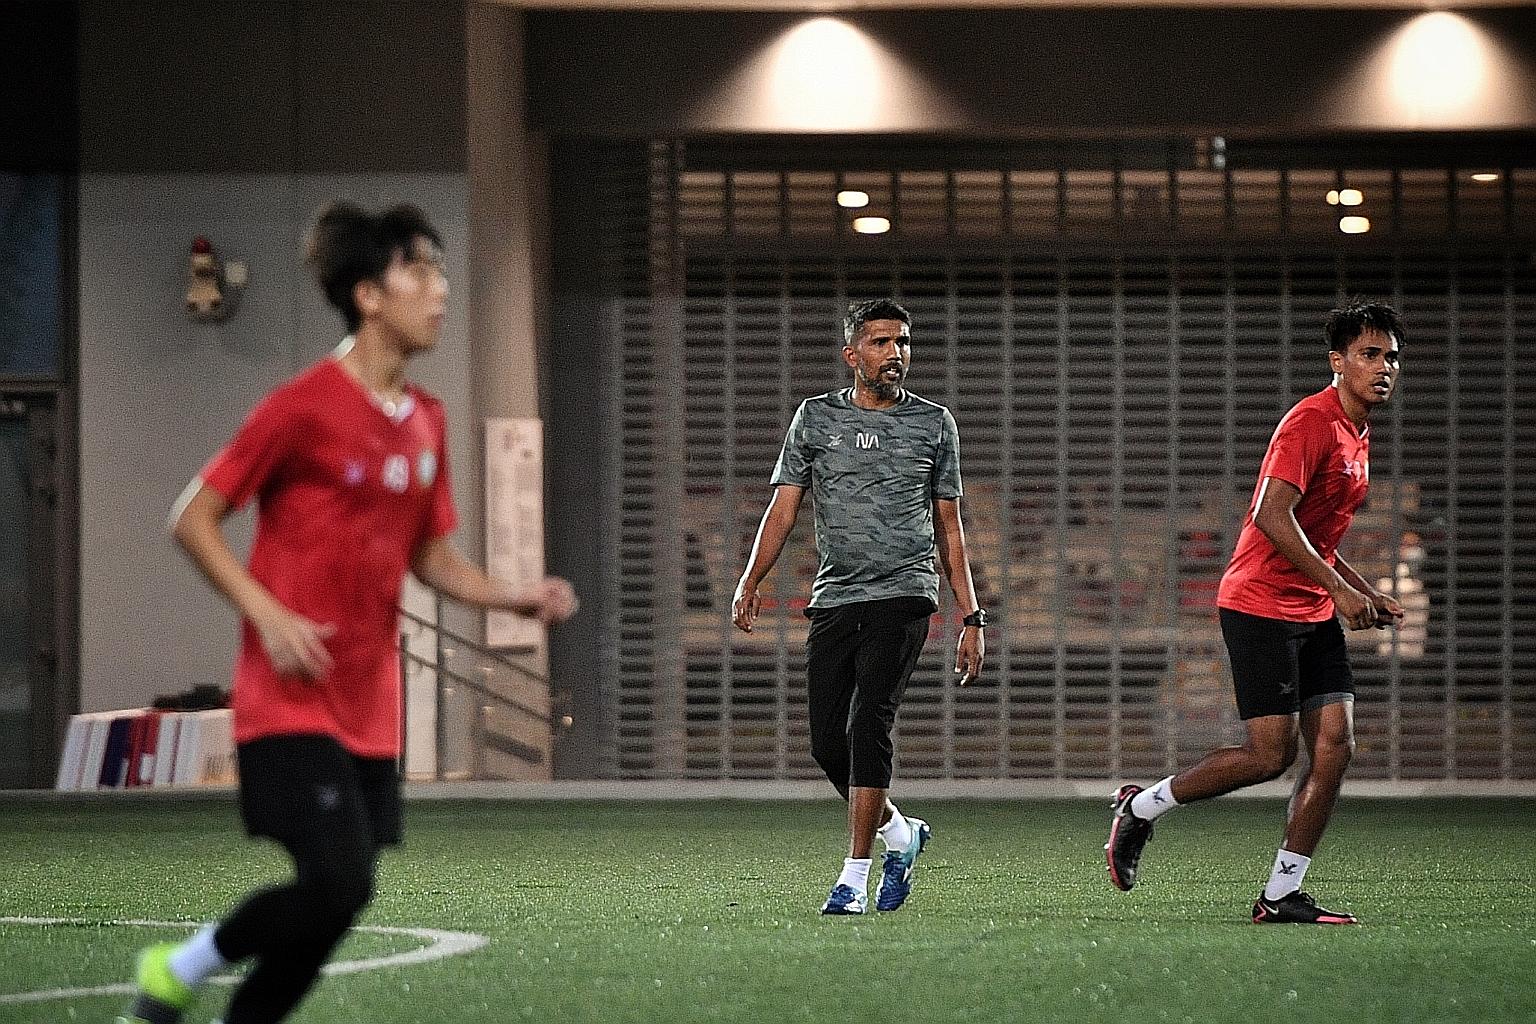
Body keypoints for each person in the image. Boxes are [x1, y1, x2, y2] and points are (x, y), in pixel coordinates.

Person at [119, 202, 578, 1024]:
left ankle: (190, 986)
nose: (440, 291)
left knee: (335, 900)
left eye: (440, 272)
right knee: (341, 880)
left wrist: (518, 595)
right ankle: (180, 965)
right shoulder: (301, 407)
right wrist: (268, 612)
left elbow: (430, 559)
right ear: (368, 295)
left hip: (370, 706)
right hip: (289, 702)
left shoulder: (427, 421)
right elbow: (193, 516)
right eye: (421, 271)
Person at [1106, 299, 1406, 925]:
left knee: (1335, 749)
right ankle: (1142, 807)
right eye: (1371, 354)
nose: (1385, 367)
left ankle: (1280, 894)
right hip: (1259, 604)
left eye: (1392, 357)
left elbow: (1318, 538)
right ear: (1338, 361)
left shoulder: (1359, 433)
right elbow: (1272, 517)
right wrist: (1343, 592)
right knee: (1270, 756)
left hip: (1313, 605)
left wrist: (1359, 589)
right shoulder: (1310, 422)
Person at [731, 298, 985, 916]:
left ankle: (854, 874)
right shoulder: (815, 420)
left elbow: (951, 529)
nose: (894, 353)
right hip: (836, 596)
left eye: (902, 342)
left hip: (905, 593)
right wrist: (750, 578)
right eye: (879, 343)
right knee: (826, 743)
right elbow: (784, 507)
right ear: (851, 354)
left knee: (868, 719)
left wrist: (970, 616)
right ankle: (901, 832)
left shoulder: (934, 424)